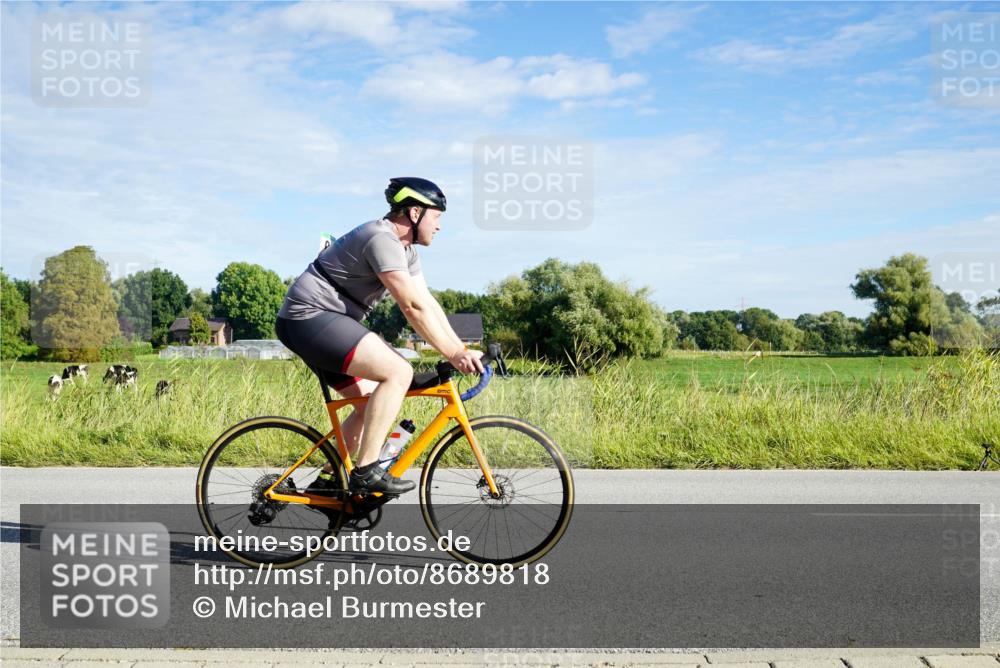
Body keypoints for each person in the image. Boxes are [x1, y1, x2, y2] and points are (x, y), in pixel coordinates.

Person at [276, 177, 484, 495]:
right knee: (399, 371)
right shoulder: (381, 238)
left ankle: (328, 481)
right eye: (437, 215)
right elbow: (411, 307)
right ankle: (365, 471)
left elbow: (427, 302)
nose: (440, 226)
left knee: (369, 403)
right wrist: (455, 354)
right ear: (415, 213)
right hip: (309, 318)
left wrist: (458, 348)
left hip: (328, 323)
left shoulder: (406, 252)